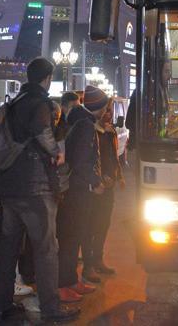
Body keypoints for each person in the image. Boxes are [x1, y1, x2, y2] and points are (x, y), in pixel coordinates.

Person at [0, 57, 79, 324]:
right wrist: (57, 153)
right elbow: (43, 134)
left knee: (8, 247)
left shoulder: (14, 103)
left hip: (9, 185)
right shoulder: (40, 103)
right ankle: (51, 308)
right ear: (47, 77)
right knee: (45, 249)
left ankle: (3, 306)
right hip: (35, 188)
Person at [57, 86, 108, 302]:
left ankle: (71, 280)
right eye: (106, 106)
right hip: (78, 191)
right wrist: (95, 182)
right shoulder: (86, 126)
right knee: (71, 238)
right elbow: (81, 160)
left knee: (75, 236)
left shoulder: (79, 122)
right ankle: (63, 285)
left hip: (76, 189)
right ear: (100, 107)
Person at [82, 98, 122, 281]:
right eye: (106, 110)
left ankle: (98, 260)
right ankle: (89, 265)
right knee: (91, 226)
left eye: (111, 110)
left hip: (109, 185)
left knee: (104, 224)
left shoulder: (111, 131)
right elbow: (92, 160)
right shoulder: (93, 132)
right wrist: (99, 179)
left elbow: (114, 157)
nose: (109, 114)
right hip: (97, 186)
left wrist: (118, 176)